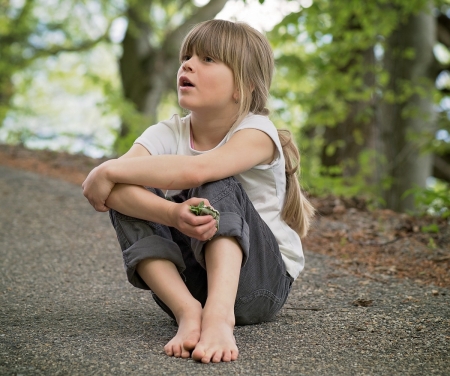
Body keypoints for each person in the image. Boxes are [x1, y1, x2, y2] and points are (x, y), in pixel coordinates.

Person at [82, 19, 314, 364]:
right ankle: (188, 311)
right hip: (189, 282)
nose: (188, 64)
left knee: (215, 184)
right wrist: (171, 214)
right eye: (186, 56)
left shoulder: (256, 132)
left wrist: (107, 168)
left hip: (259, 284)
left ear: (243, 86)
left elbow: (198, 169)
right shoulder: (166, 132)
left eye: (207, 59)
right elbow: (112, 194)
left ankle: (220, 317)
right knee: (133, 195)